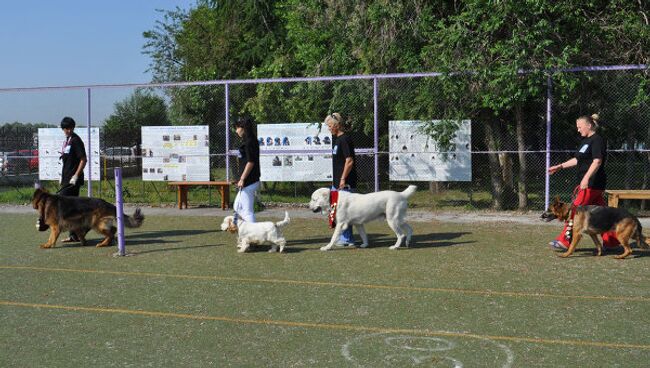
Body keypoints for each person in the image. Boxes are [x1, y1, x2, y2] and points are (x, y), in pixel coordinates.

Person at [547, 114, 619, 251]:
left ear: (589, 125)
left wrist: (586, 178)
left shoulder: (597, 140)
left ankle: (564, 240)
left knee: (574, 211)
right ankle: (612, 241)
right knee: (603, 214)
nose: (578, 130)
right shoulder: (585, 141)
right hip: (592, 185)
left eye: (580, 127)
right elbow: (577, 160)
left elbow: (597, 161)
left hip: (592, 183)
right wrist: (560, 166)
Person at [325, 112, 358, 247]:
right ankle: (341, 236)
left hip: (345, 183)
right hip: (336, 183)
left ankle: (347, 239)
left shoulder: (345, 139)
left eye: (329, 126)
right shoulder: (336, 139)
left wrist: (343, 179)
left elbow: (349, 161)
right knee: (334, 211)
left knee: (345, 211)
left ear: (336, 125)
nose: (328, 128)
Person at [59, 116, 87, 242]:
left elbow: (83, 159)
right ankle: (74, 235)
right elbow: (67, 162)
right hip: (66, 180)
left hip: (73, 181)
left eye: (69, 128)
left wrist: (76, 175)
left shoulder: (76, 140)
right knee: (71, 209)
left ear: (73, 127)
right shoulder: (68, 140)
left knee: (65, 207)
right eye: (65, 128)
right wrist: (62, 177)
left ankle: (78, 231)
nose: (67, 130)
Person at [233, 117, 261, 223]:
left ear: (243, 128)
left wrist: (242, 179)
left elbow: (251, 162)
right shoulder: (250, 140)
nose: (236, 131)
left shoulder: (250, 142)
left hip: (250, 180)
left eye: (237, 128)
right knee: (238, 206)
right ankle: (251, 233)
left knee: (247, 211)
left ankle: (253, 234)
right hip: (250, 180)